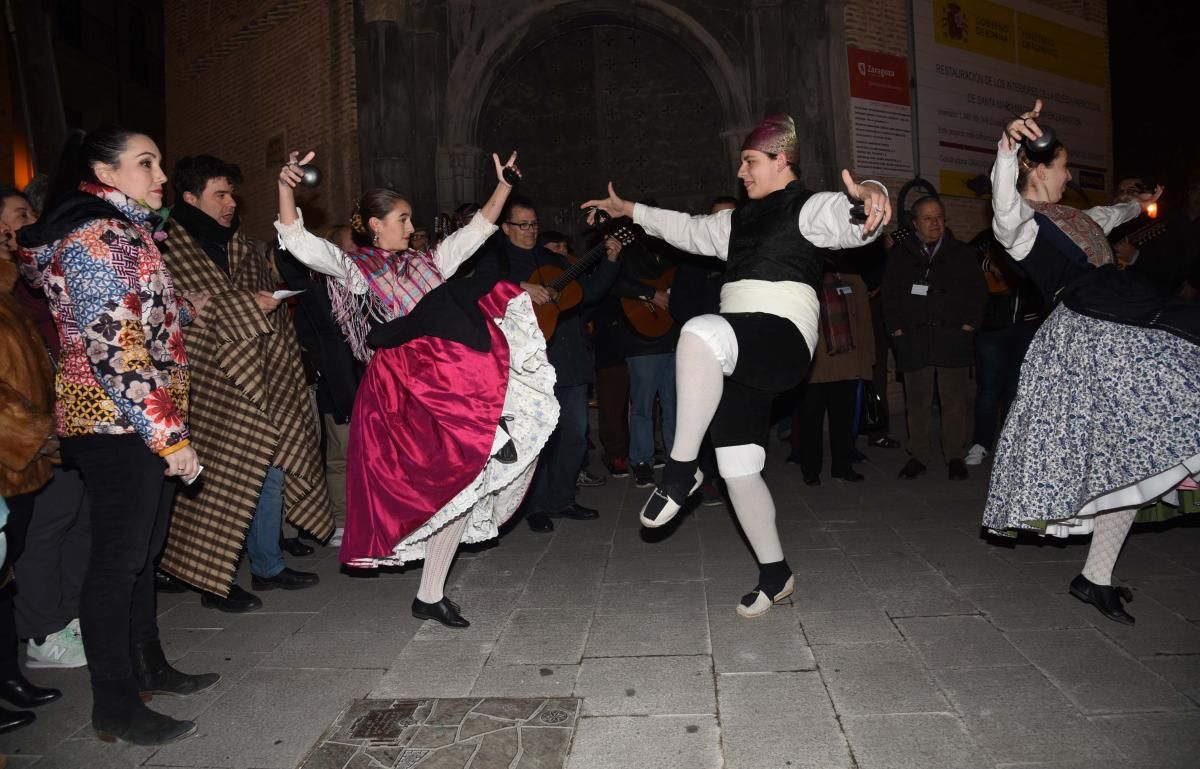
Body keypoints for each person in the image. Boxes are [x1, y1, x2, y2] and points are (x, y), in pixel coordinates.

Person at [582, 114, 891, 617]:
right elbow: (684, 228)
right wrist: (630, 209)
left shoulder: (807, 207)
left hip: (782, 338)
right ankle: (776, 574)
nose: (742, 173)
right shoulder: (736, 223)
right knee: (738, 466)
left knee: (699, 331)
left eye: (750, 163)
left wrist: (873, 195)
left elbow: (849, 216)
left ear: (780, 161)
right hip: (739, 352)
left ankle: (680, 471)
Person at [275, 149, 557, 627]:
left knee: (461, 487)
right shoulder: (354, 270)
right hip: (400, 393)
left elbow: (477, 232)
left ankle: (430, 594)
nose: (410, 228)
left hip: (446, 385)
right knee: (447, 486)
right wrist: (285, 187)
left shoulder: (431, 262)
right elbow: (300, 242)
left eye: (410, 219)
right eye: (401, 220)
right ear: (374, 225)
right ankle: (431, 582)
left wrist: (504, 185)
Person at [18, 127, 219, 744]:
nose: (160, 175)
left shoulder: (123, 230)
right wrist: (169, 437)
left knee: (144, 553)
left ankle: (146, 662)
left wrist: (184, 310)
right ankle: (115, 703)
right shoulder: (99, 234)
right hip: (115, 418)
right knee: (116, 561)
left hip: (130, 416)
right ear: (104, 174)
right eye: (145, 163)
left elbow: (134, 308)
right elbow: (117, 347)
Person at [984, 100, 1199, 626]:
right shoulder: (1023, 224)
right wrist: (1007, 149)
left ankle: (1095, 578)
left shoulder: (1078, 218)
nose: (1070, 175)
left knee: (1127, 459)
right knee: (1133, 445)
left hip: (1126, 320)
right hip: (1088, 338)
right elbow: (1003, 209)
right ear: (1037, 168)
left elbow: (1113, 215)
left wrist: (1139, 202)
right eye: (1062, 166)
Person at [155, 155, 329, 612]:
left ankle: (268, 565)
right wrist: (243, 306)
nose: (232, 203)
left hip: (259, 381)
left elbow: (258, 304)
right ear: (190, 198)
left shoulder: (245, 249)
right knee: (214, 490)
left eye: (232, 193)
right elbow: (165, 316)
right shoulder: (164, 250)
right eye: (221, 194)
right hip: (204, 388)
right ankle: (215, 580)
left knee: (269, 474)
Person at [474, 195, 621, 533]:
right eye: (522, 225)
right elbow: (478, 290)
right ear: (505, 227)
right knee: (537, 440)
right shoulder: (494, 262)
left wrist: (611, 261)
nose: (530, 231)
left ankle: (562, 499)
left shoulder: (552, 259)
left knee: (574, 436)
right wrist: (519, 287)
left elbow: (588, 293)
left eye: (534, 224)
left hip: (569, 359)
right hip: (530, 367)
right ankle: (534, 506)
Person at [1, 187, 90, 669]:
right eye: (19, 215)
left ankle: (70, 616)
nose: (28, 222)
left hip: (67, 419)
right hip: (33, 435)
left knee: (77, 522)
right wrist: (37, 429)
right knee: (43, 530)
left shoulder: (33, 281)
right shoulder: (9, 292)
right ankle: (41, 631)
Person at [0, 221, 62, 734]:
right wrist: (36, 431)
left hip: (22, 451)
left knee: (5, 569)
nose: (13, 231)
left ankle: (7, 674)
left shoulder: (10, 295)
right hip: (13, 445)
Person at [883, 196, 988, 481]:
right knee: (917, 402)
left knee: (954, 402)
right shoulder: (901, 255)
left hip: (953, 338)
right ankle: (918, 455)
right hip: (914, 340)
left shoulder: (962, 253)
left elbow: (978, 293)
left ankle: (954, 455)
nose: (935, 223)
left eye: (939, 217)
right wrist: (897, 332)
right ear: (915, 223)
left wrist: (969, 325)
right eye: (928, 218)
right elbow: (889, 297)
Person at [788, 254, 874, 485]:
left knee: (843, 422)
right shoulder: (800, 280)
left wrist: (866, 362)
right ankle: (811, 470)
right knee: (810, 422)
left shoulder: (850, 278)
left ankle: (842, 467)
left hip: (845, 362)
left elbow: (864, 322)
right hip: (813, 364)